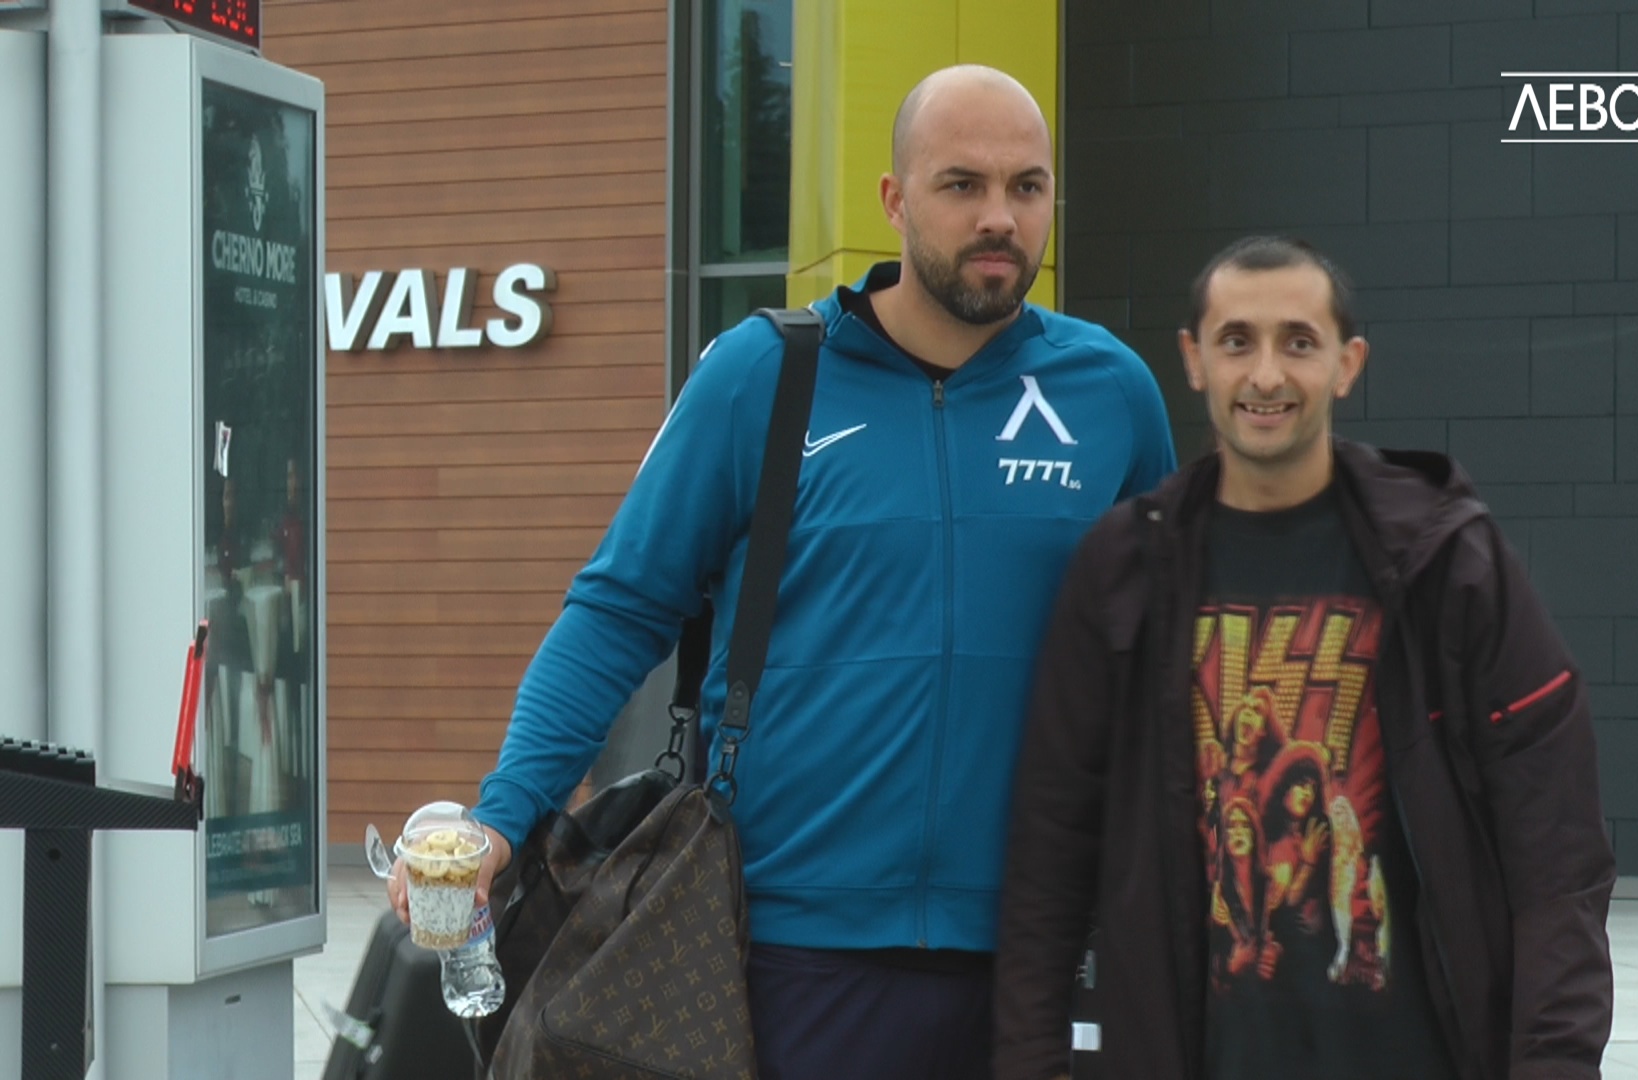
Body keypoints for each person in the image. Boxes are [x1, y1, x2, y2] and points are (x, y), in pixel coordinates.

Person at [386, 65, 1177, 1079]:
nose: (999, 217)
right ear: (894, 199)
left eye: (1027, 187)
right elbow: (617, 612)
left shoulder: (1110, 393)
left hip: (1038, 960)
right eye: (962, 184)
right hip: (793, 953)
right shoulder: (763, 375)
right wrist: (502, 817)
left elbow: (1171, 659)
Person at [993, 236, 1615, 1080]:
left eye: (1297, 342)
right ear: (1194, 360)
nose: (1266, 376)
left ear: (1347, 363)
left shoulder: (1447, 564)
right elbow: (1048, 857)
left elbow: (1558, 854)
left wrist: (1555, 1065)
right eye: (1237, 341)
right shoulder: (1124, 572)